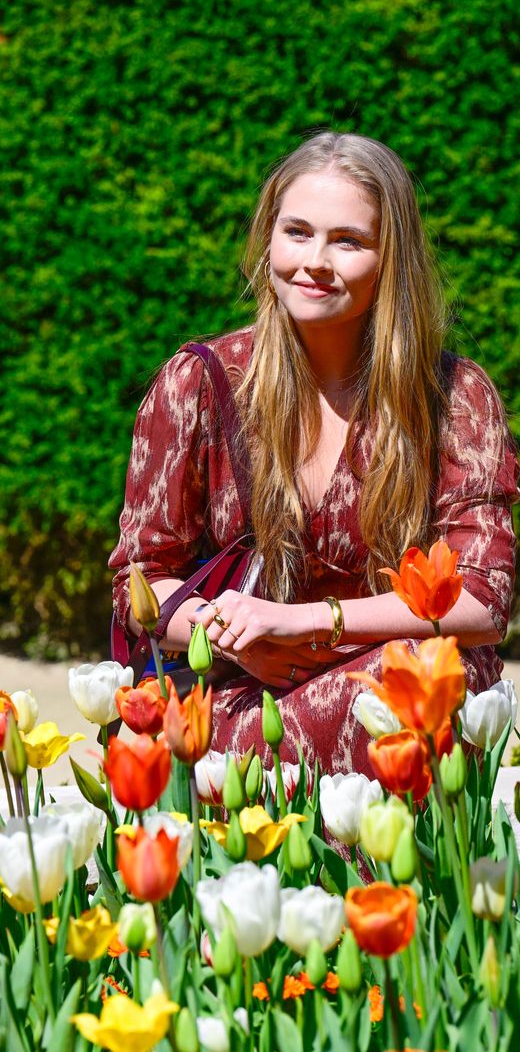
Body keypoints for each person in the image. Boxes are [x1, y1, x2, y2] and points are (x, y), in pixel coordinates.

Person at [110, 132, 518, 775]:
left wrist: (308, 623)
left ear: (393, 258)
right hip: (240, 693)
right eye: (296, 232)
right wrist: (237, 638)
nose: (315, 261)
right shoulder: (201, 385)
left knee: (423, 679)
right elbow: (139, 583)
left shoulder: (453, 397)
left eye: (348, 241)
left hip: (394, 683)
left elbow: (483, 601)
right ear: (269, 238)